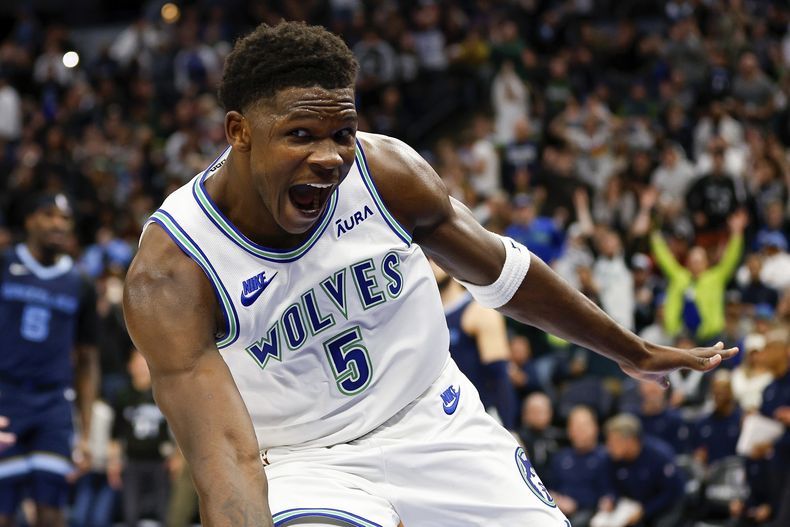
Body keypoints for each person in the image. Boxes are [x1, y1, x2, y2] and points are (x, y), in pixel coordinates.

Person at [123, 22, 738, 526]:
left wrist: (629, 351)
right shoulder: (173, 272)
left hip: (435, 419)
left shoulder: (384, 173)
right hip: (302, 461)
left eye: (342, 132)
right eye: (301, 136)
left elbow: (504, 275)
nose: (330, 157)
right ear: (240, 132)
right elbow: (226, 459)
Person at [0, 193, 99, 527]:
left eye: (65, 218)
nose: (58, 224)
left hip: (53, 403)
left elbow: (87, 360)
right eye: (48, 215)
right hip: (5, 397)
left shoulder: (81, 282)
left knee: (52, 510)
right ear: (29, 221)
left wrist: (85, 433)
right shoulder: (4, 264)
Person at [432, 259, 518, 429]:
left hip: (481, 417)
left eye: (431, 258)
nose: (429, 265)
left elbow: (499, 376)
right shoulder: (424, 319)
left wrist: (510, 429)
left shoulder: (478, 311)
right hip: (443, 421)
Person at [599, 414, 686, 527]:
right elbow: (610, 485)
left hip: (666, 507)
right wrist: (610, 498)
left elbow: (671, 492)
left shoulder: (659, 456)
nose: (608, 446)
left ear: (630, 441)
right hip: (632, 507)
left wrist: (645, 511)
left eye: (614, 441)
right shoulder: (612, 459)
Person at [549, 406, 608, 527]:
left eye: (584, 426)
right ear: (569, 431)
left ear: (595, 428)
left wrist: (576, 504)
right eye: (575, 426)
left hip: (590, 514)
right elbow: (548, 488)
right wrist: (556, 500)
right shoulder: (560, 457)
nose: (579, 430)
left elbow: (608, 495)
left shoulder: (606, 458)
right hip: (558, 511)